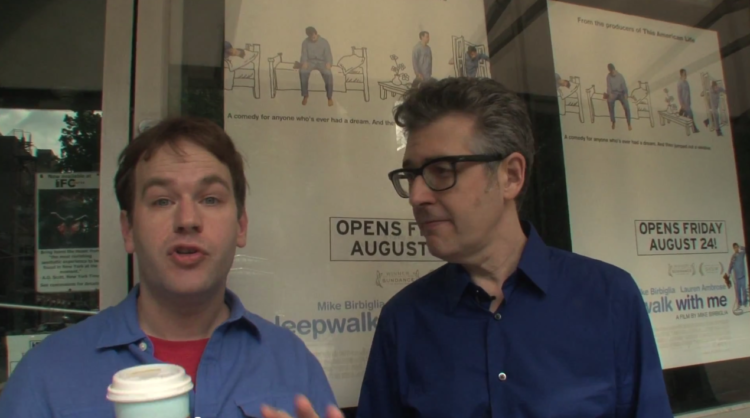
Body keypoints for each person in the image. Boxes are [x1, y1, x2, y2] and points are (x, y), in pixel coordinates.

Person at [359, 77, 672, 417]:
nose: (417, 196)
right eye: (412, 177)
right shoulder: (404, 320)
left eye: (442, 171)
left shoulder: (609, 298)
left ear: (511, 175)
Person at [0, 117, 341, 418]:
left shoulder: (291, 362)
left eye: (210, 199)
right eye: (162, 200)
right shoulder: (44, 376)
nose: (187, 220)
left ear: (241, 226)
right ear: (128, 230)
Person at [300, 26, 334, 107]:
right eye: (310, 36)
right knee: (302, 71)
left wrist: (328, 63)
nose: (313, 37)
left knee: (328, 73)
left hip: (322, 62)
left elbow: (328, 54)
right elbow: (304, 54)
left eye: (314, 35)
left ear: (316, 33)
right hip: (310, 62)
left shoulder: (324, 42)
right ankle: (305, 95)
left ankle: (329, 97)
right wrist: (304, 62)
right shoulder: (305, 42)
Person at [605, 63, 632, 131]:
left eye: (613, 71)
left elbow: (624, 86)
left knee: (626, 106)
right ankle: (613, 121)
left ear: (615, 70)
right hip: (613, 93)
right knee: (609, 102)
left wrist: (625, 94)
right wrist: (610, 94)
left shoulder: (620, 76)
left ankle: (629, 123)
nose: (613, 73)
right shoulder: (608, 77)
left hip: (621, 93)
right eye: (611, 72)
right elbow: (608, 87)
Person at [724, 243, 747, 308]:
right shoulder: (733, 257)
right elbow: (730, 265)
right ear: (733, 249)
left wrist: (740, 246)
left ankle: (745, 303)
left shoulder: (742, 254)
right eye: (735, 247)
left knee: (744, 290)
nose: (736, 248)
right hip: (736, 278)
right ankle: (739, 303)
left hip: (742, 276)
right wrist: (728, 273)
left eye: (737, 247)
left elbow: (746, 249)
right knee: (738, 291)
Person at [677, 69, 699, 133]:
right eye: (684, 74)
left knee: (685, 116)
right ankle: (694, 129)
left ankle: (681, 113)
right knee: (691, 115)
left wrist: (689, 102)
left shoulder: (686, 82)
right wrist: (682, 104)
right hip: (684, 103)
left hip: (687, 103)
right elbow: (679, 95)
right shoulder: (680, 83)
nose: (686, 75)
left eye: (686, 74)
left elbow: (688, 93)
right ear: (681, 75)